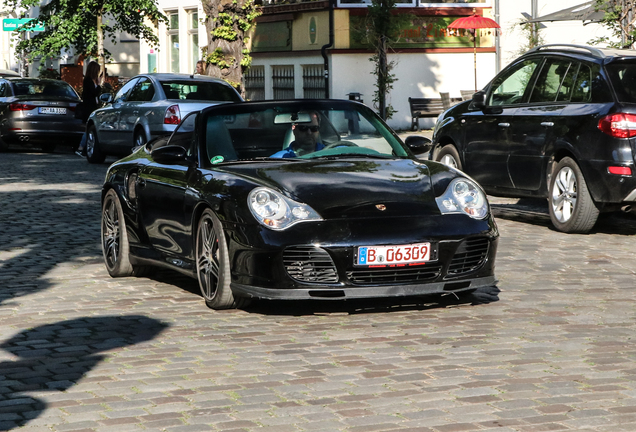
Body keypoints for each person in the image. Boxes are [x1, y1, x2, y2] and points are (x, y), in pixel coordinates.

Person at [76, 61, 102, 156]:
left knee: (89, 129)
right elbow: (94, 93)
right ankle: (81, 147)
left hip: (91, 107)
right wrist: (99, 85)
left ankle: (82, 148)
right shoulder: (88, 80)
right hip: (89, 108)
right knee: (89, 129)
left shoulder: (90, 80)